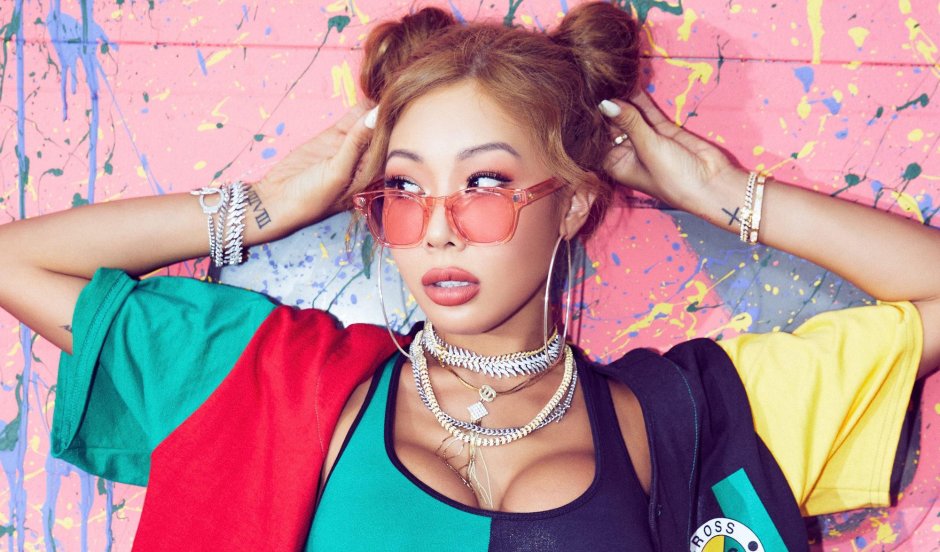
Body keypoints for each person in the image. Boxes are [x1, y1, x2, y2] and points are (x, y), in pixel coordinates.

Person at [0, 2, 937, 550]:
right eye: (405, 190)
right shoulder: (278, 379)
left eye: (485, 185)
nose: (439, 229)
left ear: (574, 203)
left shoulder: (690, 418)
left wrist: (725, 195)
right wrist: (263, 207)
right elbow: (17, 259)